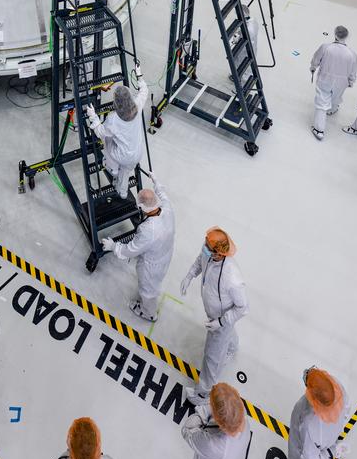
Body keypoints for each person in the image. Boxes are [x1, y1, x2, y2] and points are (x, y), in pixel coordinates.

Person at [181, 229, 248, 403]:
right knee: (228, 336)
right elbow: (200, 261)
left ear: (219, 253)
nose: (204, 246)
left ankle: (203, 393)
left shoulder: (232, 277)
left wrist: (221, 322)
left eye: (207, 245)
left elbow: (242, 307)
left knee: (211, 358)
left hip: (221, 320)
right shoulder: (208, 253)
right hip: (215, 314)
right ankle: (232, 347)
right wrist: (189, 276)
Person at [103, 169, 175, 322]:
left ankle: (149, 313)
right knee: (155, 283)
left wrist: (114, 246)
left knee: (148, 290)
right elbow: (163, 195)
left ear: (142, 208)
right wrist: (156, 181)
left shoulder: (148, 230)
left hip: (151, 266)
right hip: (165, 254)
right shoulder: (168, 209)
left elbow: (131, 250)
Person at [84, 66, 149, 197]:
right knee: (125, 171)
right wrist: (139, 75)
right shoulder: (137, 105)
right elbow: (144, 91)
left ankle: (112, 168)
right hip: (137, 154)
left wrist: (93, 116)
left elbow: (100, 132)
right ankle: (122, 192)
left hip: (122, 156)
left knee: (107, 138)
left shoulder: (113, 120)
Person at [309, 27, 357, 140]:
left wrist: (313, 67)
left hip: (325, 78)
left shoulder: (326, 47)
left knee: (322, 101)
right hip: (342, 82)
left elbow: (316, 59)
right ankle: (332, 109)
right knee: (336, 96)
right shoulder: (352, 54)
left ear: (335, 35)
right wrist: (351, 81)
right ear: (346, 37)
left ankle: (319, 129)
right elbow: (353, 71)